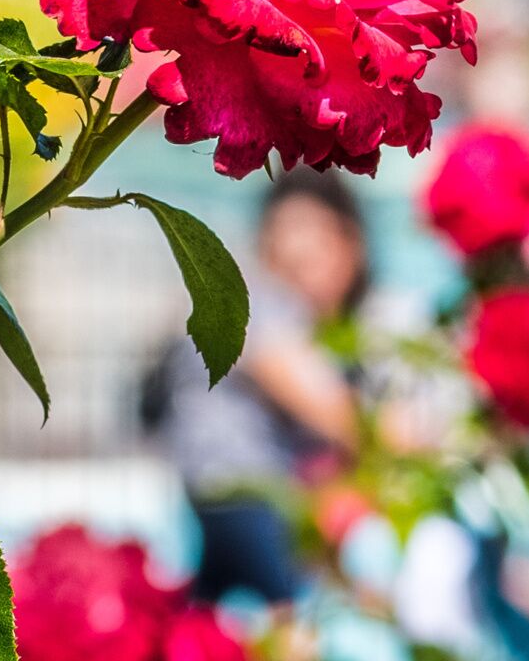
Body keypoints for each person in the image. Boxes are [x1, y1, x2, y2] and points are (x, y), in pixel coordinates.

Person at [144, 169, 368, 607]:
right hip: (244, 493)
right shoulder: (258, 304)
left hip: (225, 495)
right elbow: (327, 408)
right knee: (295, 621)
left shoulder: (289, 313)